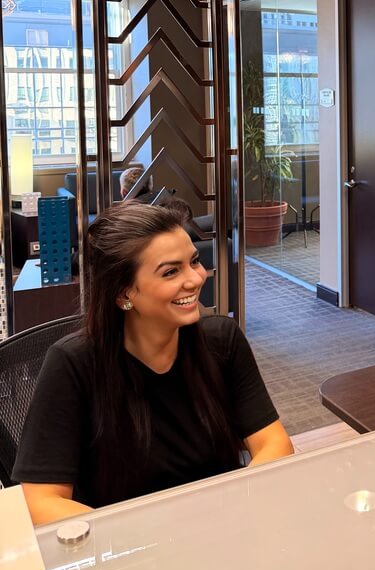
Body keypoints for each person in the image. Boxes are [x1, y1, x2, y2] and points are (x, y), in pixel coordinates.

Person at [14, 201, 293, 525]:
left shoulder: (221, 342)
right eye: (171, 271)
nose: (196, 278)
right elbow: (41, 500)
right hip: (122, 552)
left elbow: (276, 444)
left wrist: (229, 509)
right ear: (123, 293)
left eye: (194, 261)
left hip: (218, 534)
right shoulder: (74, 365)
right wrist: (148, 537)